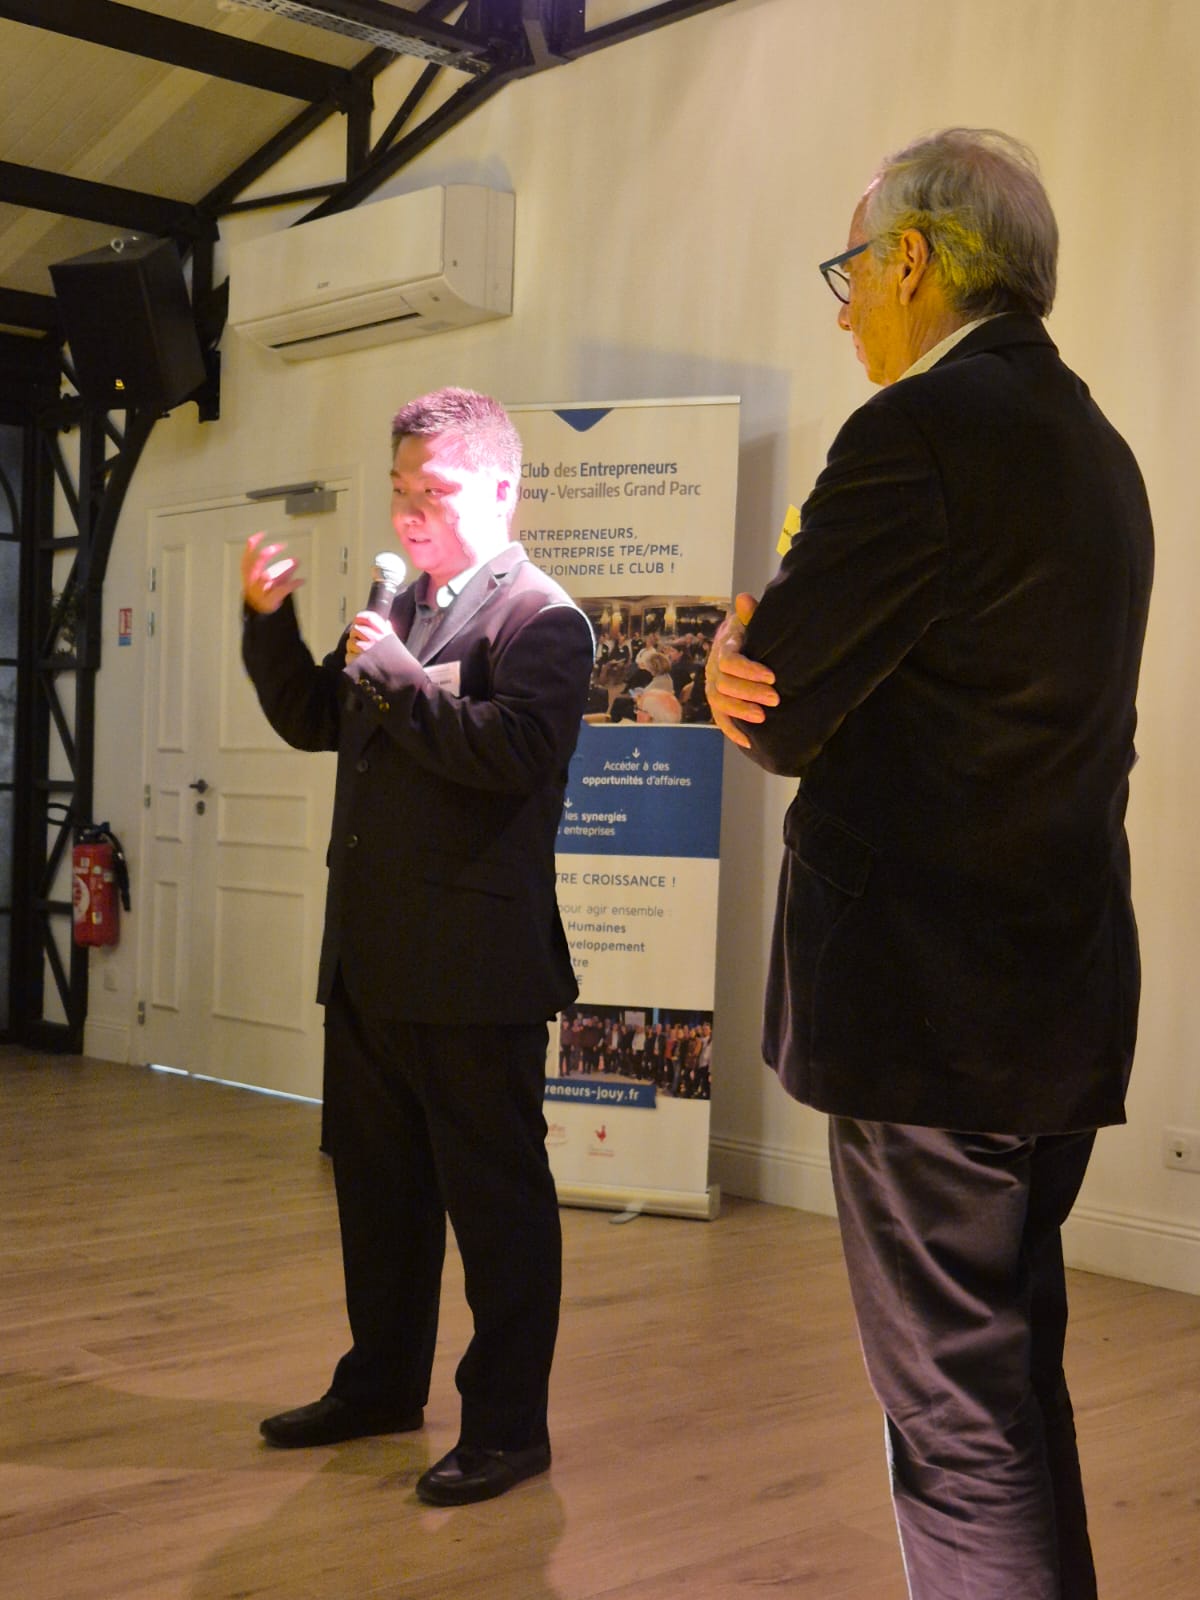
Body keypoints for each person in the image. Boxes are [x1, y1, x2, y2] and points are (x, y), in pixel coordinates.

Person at [707, 129, 1152, 1600]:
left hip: (927, 1022)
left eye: (852, 273)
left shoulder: (915, 431)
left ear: (911, 260)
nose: (845, 314)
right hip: (1057, 1003)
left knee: (954, 1430)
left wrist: (727, 656)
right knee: (1011, 1393)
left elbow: (779, 705)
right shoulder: (1100, 453)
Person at [240, 386, 594, 1507]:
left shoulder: (542, 620)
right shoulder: (399, 605)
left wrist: (394, 675)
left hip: (476, 975)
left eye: (432, 491)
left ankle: (508, 1427)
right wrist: (270, 623)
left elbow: (515, 755)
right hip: (373, 964)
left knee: (497, 1212)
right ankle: (381, 1384)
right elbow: (318, 717)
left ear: (501, 487)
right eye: (399, 490)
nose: (407, 513)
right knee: (379, 1197)